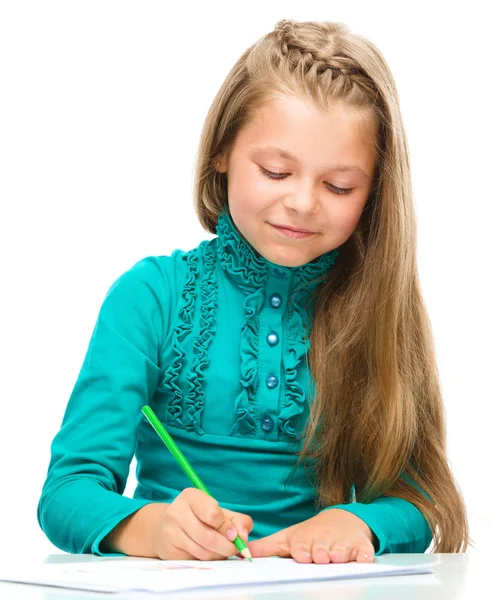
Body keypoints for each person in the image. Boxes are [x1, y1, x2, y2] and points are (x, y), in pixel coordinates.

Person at [38, 18, 470, 563]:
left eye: (339, 185)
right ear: (222, 152)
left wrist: (357, 522)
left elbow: (421, 498)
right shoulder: (150, 297)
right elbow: (67, 492)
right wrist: (150, 529)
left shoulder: (377, 314)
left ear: (375, 194)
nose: (304, 203)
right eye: (274, 171)